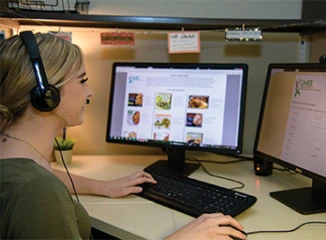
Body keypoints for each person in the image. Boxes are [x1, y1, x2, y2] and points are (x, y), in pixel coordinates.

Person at [0, 32, 247, 240]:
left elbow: (40, 173)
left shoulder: (15, 157)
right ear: (47, 95)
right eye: (82, 80)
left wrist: (103, 186)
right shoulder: (37, 192)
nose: (90, 91)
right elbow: (38, 185)